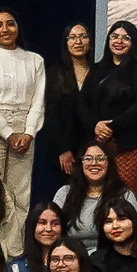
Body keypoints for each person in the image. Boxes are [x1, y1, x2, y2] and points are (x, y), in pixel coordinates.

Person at [0, 6, 45, 256]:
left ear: (18, 27)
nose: (5, 29)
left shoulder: (35, 60)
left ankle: (14, 252)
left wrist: (27, 133)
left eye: (10, 23)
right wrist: (7, 132)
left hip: (25, 130)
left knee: (20, 193)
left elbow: (38, 100)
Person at [87, 21, 137, 194]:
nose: (119, 41)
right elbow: (83, 103)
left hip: (131, 146)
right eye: (114, 37)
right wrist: (95, 125)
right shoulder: (98, 69)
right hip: (99, 143)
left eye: (125, 38)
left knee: (123, 196)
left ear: (133, 42)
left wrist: (111, 126)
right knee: (99, 194)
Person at [52, 138, 129, 255]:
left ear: (109, 164)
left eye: (100, 159)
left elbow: (131, 233)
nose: (94, 163)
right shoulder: (64, 193)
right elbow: (53, 230)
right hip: (71, 257)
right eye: (88, 159)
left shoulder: (123, 194)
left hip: (110, 259)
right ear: (81, 163)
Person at [46, 22, 97, 178]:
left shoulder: (99, 71)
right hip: (65, 147)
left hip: (93, 145)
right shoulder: (56, 72)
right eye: (73, 38)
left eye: (83, 37)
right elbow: (51, 114)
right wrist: (63, 149)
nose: (78, 42)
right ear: (66, 42)